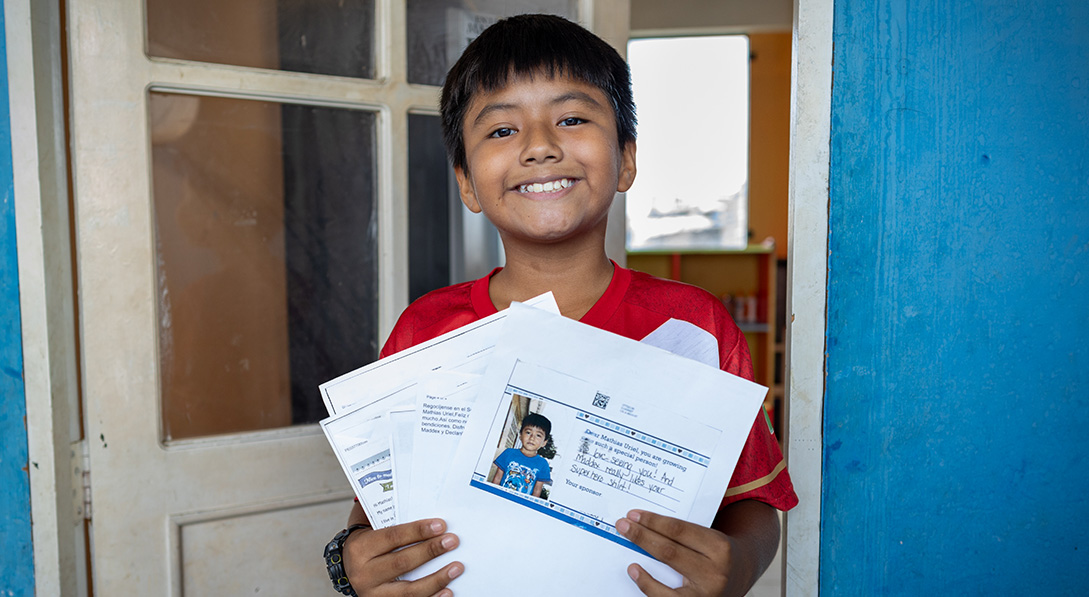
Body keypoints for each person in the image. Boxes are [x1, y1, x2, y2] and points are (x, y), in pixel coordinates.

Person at [329, 13, 798, 597]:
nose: (540, 147)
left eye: (571, 119)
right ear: (467, 183)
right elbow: (376, 504)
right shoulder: (426, 329)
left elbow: (753, 505)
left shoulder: (694, 326)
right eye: (501, 131)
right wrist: (352, 565)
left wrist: (739, 569)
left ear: (626, 158)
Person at [489, 413, 553, 497]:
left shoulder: (543, 464)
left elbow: (537, 491)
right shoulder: (508, 453)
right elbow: (497, 478)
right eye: (528, 432)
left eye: (538, 435)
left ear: (544, 442)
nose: (532, 438)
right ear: (520, 434)